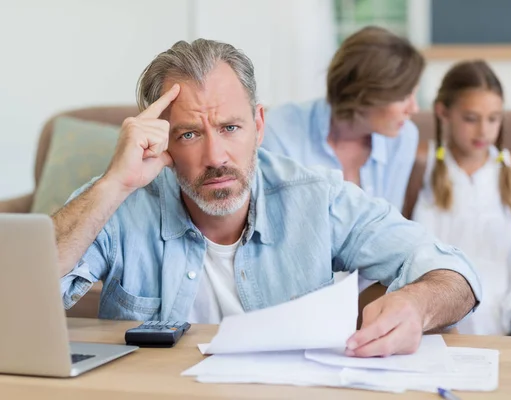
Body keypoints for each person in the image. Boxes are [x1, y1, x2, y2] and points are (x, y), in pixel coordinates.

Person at [53, 38, 481, 357]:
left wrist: (415, 305)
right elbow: (20, 295)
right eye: (189, 134)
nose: (216, 156)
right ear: (161, 139)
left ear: (259, 124)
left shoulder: (316, 197)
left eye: (231, 128)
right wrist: (113, 184)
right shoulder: (124, 199)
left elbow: (452, 269)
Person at [403, 60, 511, 335]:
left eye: (493, 119)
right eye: (471, 118)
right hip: (440, 287)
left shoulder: (510, 167)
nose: (483, 130)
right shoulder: (425, 162)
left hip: (497, 289)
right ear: (443, 112)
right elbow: (402, 224)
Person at [262, 26, 424, 211]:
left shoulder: (404, 136)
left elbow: (389, 221)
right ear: (364, 93)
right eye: (403, 97)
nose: (414, 108)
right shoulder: (278, 132)